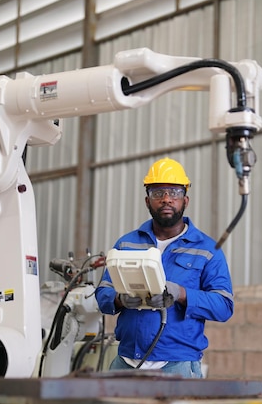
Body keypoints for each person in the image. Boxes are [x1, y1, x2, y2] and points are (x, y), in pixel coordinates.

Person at [95, 157, 234, 378]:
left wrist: (181, 294)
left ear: (186, 200)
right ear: (147, 201)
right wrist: (120, 299)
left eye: (174, 192)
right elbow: (103, 292)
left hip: (177, 367)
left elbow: (224, 305)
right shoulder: (126, 244)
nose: (166, 199)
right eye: (158, 193)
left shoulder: (207, 249)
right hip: (125, 363)